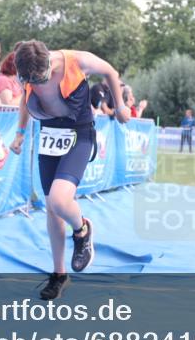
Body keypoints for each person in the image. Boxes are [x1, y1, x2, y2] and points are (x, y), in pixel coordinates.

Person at [8, 40, 129, 300]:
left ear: (48, 62)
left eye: (42, 78)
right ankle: (59, 274)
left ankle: (82, 229)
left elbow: (110, 72)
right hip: (50, 136)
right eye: (32, 81)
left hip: (79, 134)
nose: (38, 84)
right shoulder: (27, 72)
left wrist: (120, 106)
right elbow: (25, 101)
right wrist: (19, 133)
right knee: (52, 209)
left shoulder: (77, 60)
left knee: (59, 200)